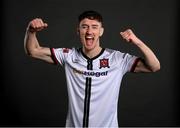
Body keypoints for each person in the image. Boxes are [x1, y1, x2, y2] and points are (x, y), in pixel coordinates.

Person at [24, 10, 160, 127]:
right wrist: (31, 32)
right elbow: (33, 50)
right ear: (78, 31)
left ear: (101, 31)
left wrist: (137, 41)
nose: (89, 31)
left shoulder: (117, 59)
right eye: (84, 27)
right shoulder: (68, 56)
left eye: (94, 27)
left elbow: (154, 66)